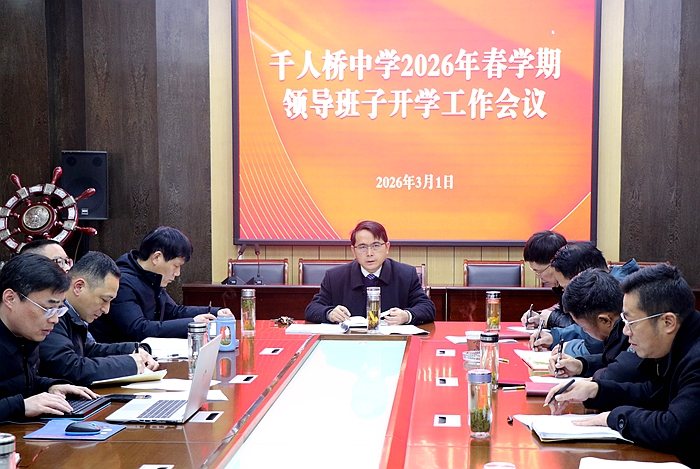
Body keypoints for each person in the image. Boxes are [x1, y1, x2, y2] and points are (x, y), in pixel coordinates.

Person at [545, 264, 700, 467]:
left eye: (631, 322)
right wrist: (596, 390)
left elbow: (673, 429)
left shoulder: (696, 359)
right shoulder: (678, 345)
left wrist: (615, 418)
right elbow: (653, 394)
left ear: (668, 322)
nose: (626, 332)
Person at [90, 227, 233, 343]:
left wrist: (214, 312)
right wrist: (192, 324)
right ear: (156, 257)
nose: (177, 273)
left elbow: (173, 311)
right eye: (176, 265)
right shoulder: (122, 282)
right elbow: (138, 330)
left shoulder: (150, 278)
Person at [0, 254, 99, 421]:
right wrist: (21, 406)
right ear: (10, 299)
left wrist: (51, 386)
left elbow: (15, 383)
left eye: (59, 309)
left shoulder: (25, 334)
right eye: (48, 309)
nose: (55, 319)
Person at [39, 252, 159, 386]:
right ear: (79, 287)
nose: (106, 309)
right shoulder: (54, 315)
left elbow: (89, 350)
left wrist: (133, 349)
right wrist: (130, 363)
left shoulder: (73, 314)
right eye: (104, 300)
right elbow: (68, 368)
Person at [305, 220, 435, 325]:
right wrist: (329, 313)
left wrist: (406, 316)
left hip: (392, 342)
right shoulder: (335, 277)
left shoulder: (406, 274)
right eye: (362, 247)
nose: (369, 253)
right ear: (353, 251)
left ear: (387, 247)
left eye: (376, 246)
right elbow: (312, 309)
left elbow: (427, 307)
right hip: (349, 342)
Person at [547, 269, 643, 380]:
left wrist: (594, 382)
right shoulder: (618, 332)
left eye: (584, 327)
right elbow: (612, 361)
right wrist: (581, 365)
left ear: (605, 321)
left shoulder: (634, 336)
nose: (584, 331)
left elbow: (623, 370)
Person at [530, 242, 609, 356]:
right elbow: (584, 329)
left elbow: (596, 346)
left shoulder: (614, 294)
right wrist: (555, 337)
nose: (565, 292)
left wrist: (566, 348)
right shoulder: (603, 286)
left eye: (566, 287)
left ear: (582, 278)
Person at [520, 230, 567, 329]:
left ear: (555, 264)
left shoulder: (584, 283)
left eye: (539, 271)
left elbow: (583, 326)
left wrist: (551, 318)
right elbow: (564, 307)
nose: (538, 277)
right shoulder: (561, 286)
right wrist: (540, 316)